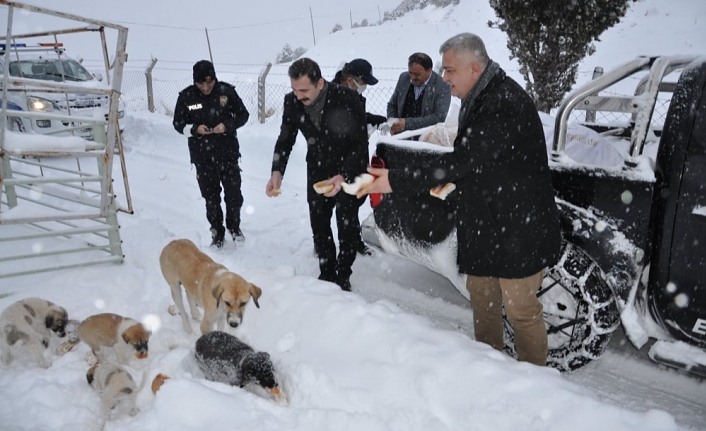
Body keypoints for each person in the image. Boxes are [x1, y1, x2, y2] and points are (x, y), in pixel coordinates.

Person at [358, 33, 562, 366]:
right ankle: (488, 370)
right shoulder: (479, 95)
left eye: (449, 70)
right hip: (484, 224)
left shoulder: (504, 103)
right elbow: (473, 161)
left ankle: (533, 385)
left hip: (516, 228)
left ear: (474, 68)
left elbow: (461, 161)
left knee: (521, 311)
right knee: (483, 301)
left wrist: (395, 179)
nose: (444, 76)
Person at [265, 58, 368, 292]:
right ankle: (327, 270)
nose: (298, 95)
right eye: (294, 89)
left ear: (320, 83)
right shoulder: (292, 102)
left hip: (348, 170)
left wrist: (343, 175)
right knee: (319, 222)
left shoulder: (348, 99)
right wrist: (277, 171)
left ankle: (343, 274)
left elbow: (360, 145)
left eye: (304, 90)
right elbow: (285, 138)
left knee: (346, 224)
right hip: (318, 169)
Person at [173, 60, 250, 248]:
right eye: (201, 84)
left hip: (228, 154)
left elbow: (243, 115)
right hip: (203, 158)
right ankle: (217, 233)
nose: (206, 87)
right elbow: (177, 123)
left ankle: (234, 227)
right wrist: (193, 129)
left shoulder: (226, 92)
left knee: (233, 195)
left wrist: (227, 125)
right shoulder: (186, 97)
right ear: (195, 82)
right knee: (211, 198)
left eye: (210, 82)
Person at [331, 58, 384, 257]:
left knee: (355, 201)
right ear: (350, 80)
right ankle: (339, 249)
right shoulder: (331, 95)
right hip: (340, 160)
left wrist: (377, 120)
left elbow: (358, 116)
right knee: (343, 206)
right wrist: (357, 132)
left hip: (357, 157)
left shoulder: (354, 94)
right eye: (363, 83)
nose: (364, 88)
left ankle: (353, 240)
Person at [386, 52, 451, 135]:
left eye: (417, 74)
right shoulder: (403, 78)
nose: (412, 77)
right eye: (410, 73)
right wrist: (393, 123)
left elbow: (438, 118)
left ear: (429, 71)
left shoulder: (442, 86)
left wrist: (407, 124)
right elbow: (392, 105)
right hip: (400, 137)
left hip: (426, 138)